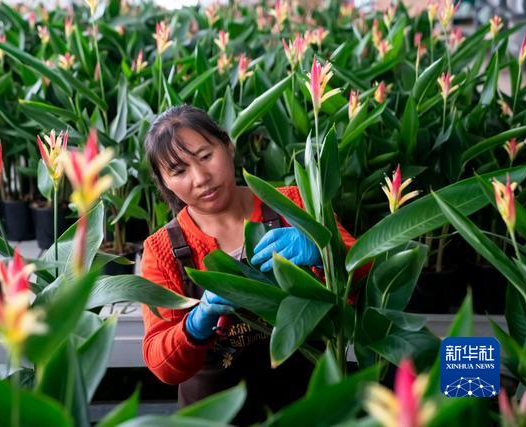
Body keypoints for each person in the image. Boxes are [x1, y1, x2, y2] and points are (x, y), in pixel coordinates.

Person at [140, 104, 367, 425]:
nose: (201, 178)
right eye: (179, 172)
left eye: (206, 156)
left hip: (306, 407)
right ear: (164, 182)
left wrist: (325, 252)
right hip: (216, 417)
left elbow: (369, 273)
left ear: (228, 146)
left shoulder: (292, 204)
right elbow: (162, 364)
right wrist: (194, 325)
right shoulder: (162, 250)